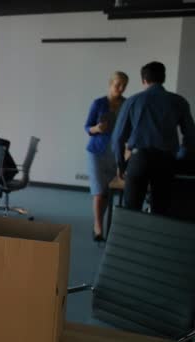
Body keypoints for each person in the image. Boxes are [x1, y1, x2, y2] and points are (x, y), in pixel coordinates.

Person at [112, 61, 195, 215]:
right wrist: (180, 158)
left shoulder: (132, 101)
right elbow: (191, 136)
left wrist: (121, 165)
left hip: (139, 159)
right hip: (166, 162)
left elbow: (118, 138)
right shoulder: (179, 102)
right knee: (161, 212)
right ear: (163, 78)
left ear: (144, 80)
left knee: (131, 211)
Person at [84, 71, 129, 242]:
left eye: (124, 85)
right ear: (111, 83)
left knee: (107, 193)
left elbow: (129, 128)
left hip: (117, 153)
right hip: (96, 152)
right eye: (118, 84)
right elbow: (87, 126)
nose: (121, 88)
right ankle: (98, 227)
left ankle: (99, 222)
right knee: (98, 192)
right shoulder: (99, 103)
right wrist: (97, 129)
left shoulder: (127, 104)